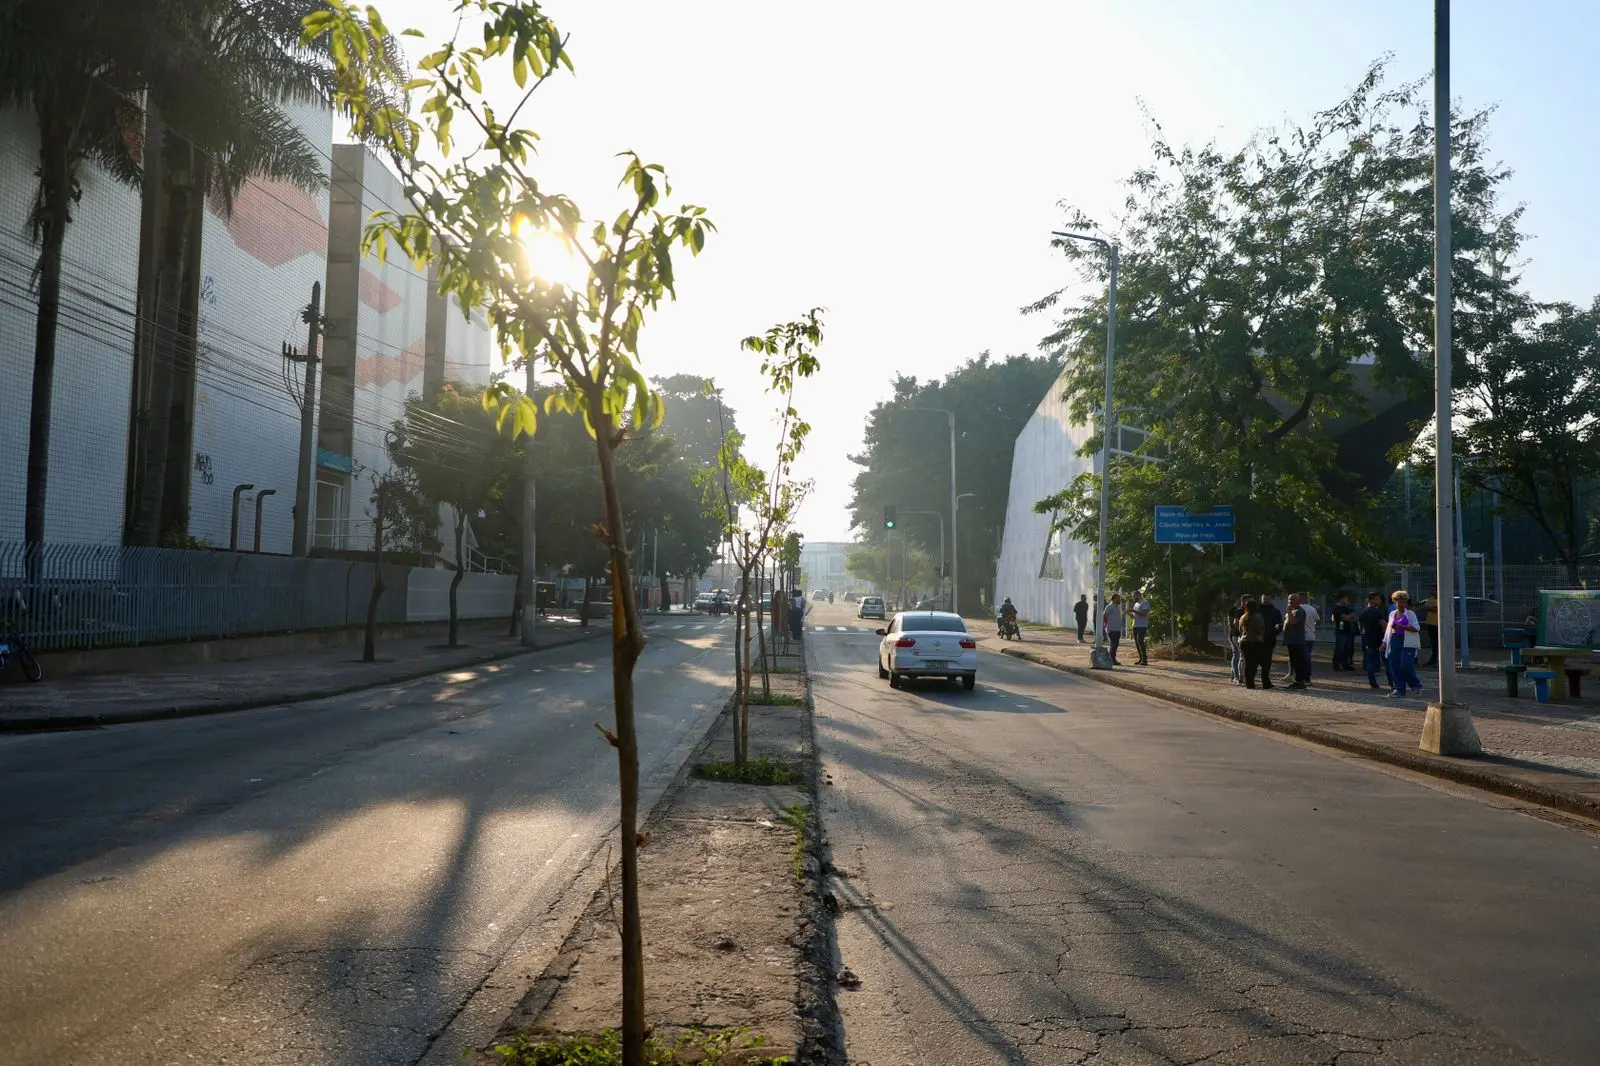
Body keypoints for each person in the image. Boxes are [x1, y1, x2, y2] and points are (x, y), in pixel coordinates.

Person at [1384, 590, 1424, 697]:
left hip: (1408, 641)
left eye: (1403, 602)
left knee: (1406, 664)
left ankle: (1415, 684)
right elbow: (1388, 629)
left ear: (1406, 603)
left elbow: (1417, 628)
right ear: (1395, 602)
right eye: (1398, 602)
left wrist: (1403, 627)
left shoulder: (1410, 614)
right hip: (1395, 640)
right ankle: (1399, 689)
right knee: (1394, 666)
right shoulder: (1392, 614)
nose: (1401, 604)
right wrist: (1384, 642)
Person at [1237, 597, 1271, 689]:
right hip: (1254, 641)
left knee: (1248, 663)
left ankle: (1249, 683)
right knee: (1260, 663)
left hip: (1244, 642)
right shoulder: (1257, 617)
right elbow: (1261, 629)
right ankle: (1265, 683)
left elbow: (1240, 629)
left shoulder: (1243, 617)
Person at [1357, 592, 1388, 690]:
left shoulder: (1363, 611)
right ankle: (1392, 682)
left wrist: (1364, 633)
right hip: (1379, 638)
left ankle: (1373, 682)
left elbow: (1360, 626)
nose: (1379, 601)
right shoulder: (1378, 612)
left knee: (1369, 661)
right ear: (1371, 600)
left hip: (1368, 638)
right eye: (1377, 599)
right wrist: (1386, 637)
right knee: (1387, 660)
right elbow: (1383, 625)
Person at [1282, 593, 1309, 689]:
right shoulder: (1292, 611)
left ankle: (1299, 681)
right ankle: (1296, 680)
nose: (1289, 602)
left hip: (1297, 641)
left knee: (1298, 661)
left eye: (1292, 600)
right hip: (1291, 640)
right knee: (1293, 661)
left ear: (1298, 601)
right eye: (1289, 600)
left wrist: (1289, 611)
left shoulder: (1300, 611)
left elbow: (1293, 622)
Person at [1258, 594, 1283, 678]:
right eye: (1264, 599)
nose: (1266, 600)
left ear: (1271, 599)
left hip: (1270, 638)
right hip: (1256, 638)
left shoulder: (1275, 611)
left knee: (1267, 658)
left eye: (1267, 599)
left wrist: (1275, 632)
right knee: (1257, 658)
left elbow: (1280, 624)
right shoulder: (1256, 610)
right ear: (1261, 599)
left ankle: (1265, 677)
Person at [1330, 594, 1355, 670]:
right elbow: (1345, 618)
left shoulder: (1346, 608)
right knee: (1340, 648)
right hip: (1341, 631)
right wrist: (1349, 617)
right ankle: (1336, 664)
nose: (1347, 601)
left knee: (1347, 649)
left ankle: (1345, 664)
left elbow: (1354, 617)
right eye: (1345, 599)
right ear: (1341, 599)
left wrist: (1350, 616)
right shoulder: (1337, 608)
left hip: (1347, 631)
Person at [1228, 595, 1248, 684]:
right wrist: (1240, 631)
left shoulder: (1245, 609)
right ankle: (1237, 676)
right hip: (1235, 636)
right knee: (1238, 655)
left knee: (1238, 655)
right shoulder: (1235, 610)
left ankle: (1234, 675)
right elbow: (1232, 623)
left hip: (1241, 636)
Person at [1129, 590, 1152, 665]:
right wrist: (1129, 613)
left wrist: (1134, 611)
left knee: (1140, 641)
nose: (1133, 598)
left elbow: (1144, 614)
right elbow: (1133, 616)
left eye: (1133, 596)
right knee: (1137, 643)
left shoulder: (1145, 602)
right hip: (1135, 625)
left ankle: (1145, 660)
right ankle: (1141, 658)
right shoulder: (1136, 604)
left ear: (1138, 595)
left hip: (1142, 625)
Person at [1421, 585, 1440, 667]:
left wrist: (1430, 607)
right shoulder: (1430, 599)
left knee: (1438, 643)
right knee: (1433, 643)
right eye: (1432, 590)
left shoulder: (1441, 598)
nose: (1433, 592)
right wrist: (1431, 608)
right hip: (1430, 624)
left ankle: (1436, 660)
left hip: (1438, 624)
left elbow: (1436, 609)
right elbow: (1426, 607)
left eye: (1435, 590)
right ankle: (1433, 660)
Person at [1102, 594, 1125, 663]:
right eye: (1118, 598)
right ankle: (1112, 659)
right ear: (1114, 599)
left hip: (1117, 629)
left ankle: (1111, 658)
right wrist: (1106, 624)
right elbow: (1105, 615)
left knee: (1115, 644)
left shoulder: (1117, 607)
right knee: (1114, 644)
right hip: (1111, 629)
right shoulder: (1109, 606)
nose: (1119, 600)